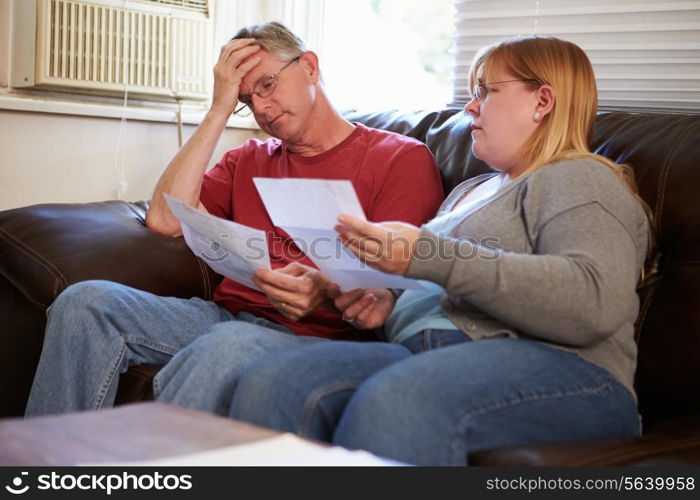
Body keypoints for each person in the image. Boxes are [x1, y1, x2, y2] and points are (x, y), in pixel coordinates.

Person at [228, 35, 652, 466]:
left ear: (542, 101)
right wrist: (379, 296)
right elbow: (438, 279)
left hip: (567, 370)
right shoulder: (470, 191)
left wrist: (426, 255)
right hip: (426, 353)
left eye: (486, 91)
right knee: (275, 380)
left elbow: (593, 301)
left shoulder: (579, 176)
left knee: (399, 399)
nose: (470, 107)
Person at [24, 22, 443, 417]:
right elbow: (165, 219)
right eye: (247, 100)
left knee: (230, 344)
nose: (261, 106)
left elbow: (398, 277)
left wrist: (327, 290)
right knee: (85, 302)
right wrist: (218, 110)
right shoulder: (249, 159)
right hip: (230, 317)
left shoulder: (399, 157)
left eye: (267, 84)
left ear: (310, 66)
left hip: (323, 338)